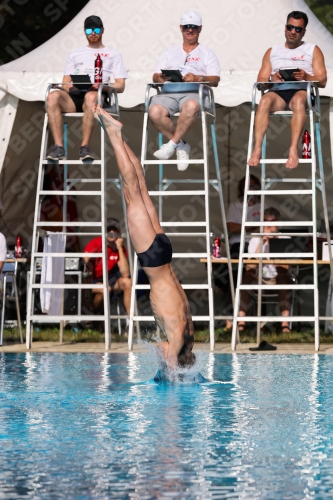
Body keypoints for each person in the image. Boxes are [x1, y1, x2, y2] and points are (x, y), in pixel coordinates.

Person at [92, 104, 195, 370]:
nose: (161, 350)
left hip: (164, 253)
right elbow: (169, 361)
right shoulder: (176, 341)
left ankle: (118, 136)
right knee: (130, 191)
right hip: (152, 260)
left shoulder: (189, 333)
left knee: (140, 188)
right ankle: (114, 135)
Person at [248, 10, 327, 169]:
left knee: (298, 100)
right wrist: (272, 79)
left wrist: (306, 76)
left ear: (304, 32)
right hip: (278, 92)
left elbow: (323, 80)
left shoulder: (312, 50)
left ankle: (293, 150)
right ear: (285, 27)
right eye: (290, 27)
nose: (293, 32)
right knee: (263, 101)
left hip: (301, 91)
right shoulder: (273, 51)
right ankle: (257, 149)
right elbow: (260, 81)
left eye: (298, 29)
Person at [46, 15, 127, 161]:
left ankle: (85, 147)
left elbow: (121, 85)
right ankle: (58, 146)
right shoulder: (75, 53)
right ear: (85, 32)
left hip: (98, 95)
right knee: (52, 96)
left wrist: (103, 86)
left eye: (96, 29)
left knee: (91, 96)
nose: (93, 33)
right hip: (75, 95)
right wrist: (69, 87)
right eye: (89, 30)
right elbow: (65, 81)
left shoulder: (114, 54)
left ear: (102, 31)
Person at [149, 10, 220, 171]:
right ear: (181, 28)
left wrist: (198, 78)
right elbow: (155, 75)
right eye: (187, 26)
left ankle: (171, 145)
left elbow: (215, 80)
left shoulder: (207, 53)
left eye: (194, 27)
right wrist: (159, 78)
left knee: (191, 106)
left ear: (200, 29)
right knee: (154, 111)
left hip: (194, 92)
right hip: (169, 92)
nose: (190, 30)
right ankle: (180, 145)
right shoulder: (169, 52)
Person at [238, 207, 292, 333]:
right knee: (246, 277)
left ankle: (285, 326)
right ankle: (241, 324)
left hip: (278, 278)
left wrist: (274, 244)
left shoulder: (285, 239)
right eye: (265, 221)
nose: (268, 226)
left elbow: (284, 269)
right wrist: (261, 245)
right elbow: (249, 268)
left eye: (271, 222)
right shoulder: (255, 239)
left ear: (277, 223)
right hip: (260, 279)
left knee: (282, 279)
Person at [219, 175, 263, 330]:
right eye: (248, 186)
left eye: (254, 186)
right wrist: (252, 227)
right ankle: (231, 320)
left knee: (255, 278)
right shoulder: (235, 206)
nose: (251, 189)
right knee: (230, 279)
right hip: (238, 247)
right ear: (242, 189)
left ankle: (257, 323)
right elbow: (231, 228)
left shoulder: (263, 206)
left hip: (257, 246)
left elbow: (267, 228)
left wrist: (242, 227)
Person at [84, 218, 132, 322]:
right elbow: (83, 262)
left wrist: (119, 248)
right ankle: (94, 319)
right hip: (91, 280)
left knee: (128, 282)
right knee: (104, 289)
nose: (111, 232)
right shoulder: (96, 243)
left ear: (119, 232)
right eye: (108, 229)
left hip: (109, 280)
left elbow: (125, 273)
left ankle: (130, 323)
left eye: (114, 229)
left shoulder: (121, 248)